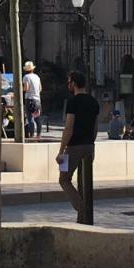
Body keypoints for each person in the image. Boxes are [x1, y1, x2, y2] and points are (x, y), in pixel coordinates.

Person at [55, 72, 99, 221]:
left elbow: (69, 128)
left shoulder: (72, 102)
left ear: (73, 84)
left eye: (69, 82)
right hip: (89, 146)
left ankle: (82, 208)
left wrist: (61, 151)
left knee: (63, 179)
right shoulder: (94, 102)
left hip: (73, 147)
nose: (68, 85)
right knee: (83, 181)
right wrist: (90, 142)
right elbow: (95, 128)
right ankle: (82, 217)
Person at [22, 62, 43, 141]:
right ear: (33, 69)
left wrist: (20, 89)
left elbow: (26, 88)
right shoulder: (37, 77)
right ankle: (38, 135)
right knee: (37, 118)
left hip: (29, 99)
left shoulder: (26, 77)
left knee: (30, 118)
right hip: (37, 100)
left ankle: (31, 136)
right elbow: (40, 88)